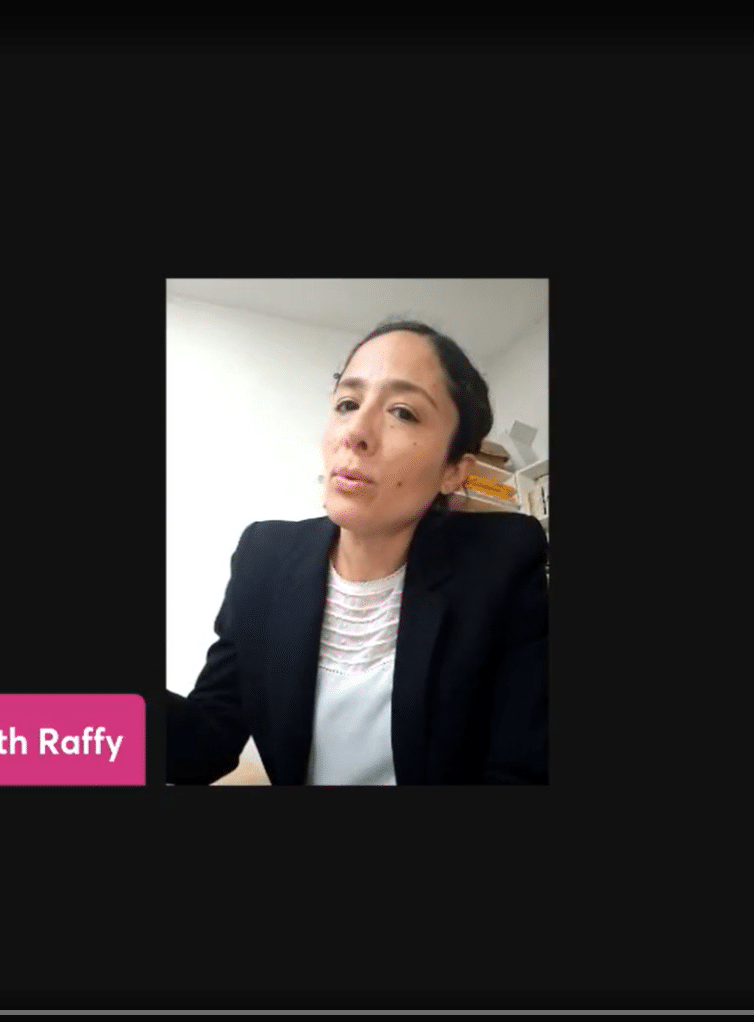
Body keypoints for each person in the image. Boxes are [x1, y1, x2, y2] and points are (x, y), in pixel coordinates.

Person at [167, 320, 548, 786]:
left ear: (454, 470)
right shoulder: (263, 557)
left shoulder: (500, 562)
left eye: (403, 412)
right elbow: (204, 749)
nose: (356, 432)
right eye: (347, 404)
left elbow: (523, 770)